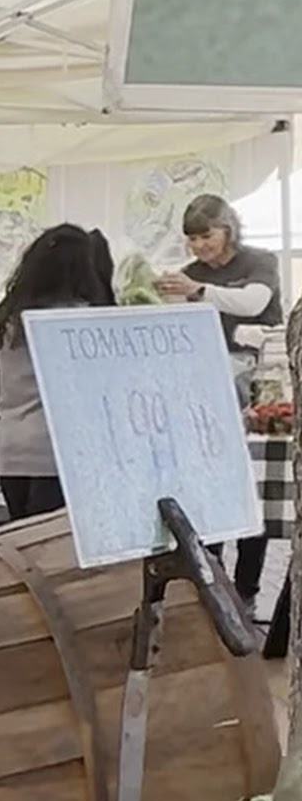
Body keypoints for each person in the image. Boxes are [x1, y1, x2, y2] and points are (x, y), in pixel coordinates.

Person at [159, 194, 284, 604]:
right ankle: (212, 582)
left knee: (255, 494)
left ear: (226, 229)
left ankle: (246, 588)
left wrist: (199, 292)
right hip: (200, 390)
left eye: (205, 236)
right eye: (192, 239)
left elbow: (255, 302)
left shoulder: (259, 261)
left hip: (258, 383)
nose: (199, 246)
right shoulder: (189, 274)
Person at [0, 224, 117, 521]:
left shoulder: (7, 319)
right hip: (64, 455)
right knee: (55, 555)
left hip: (12, 451)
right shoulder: (90, 321)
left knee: (22, 546)